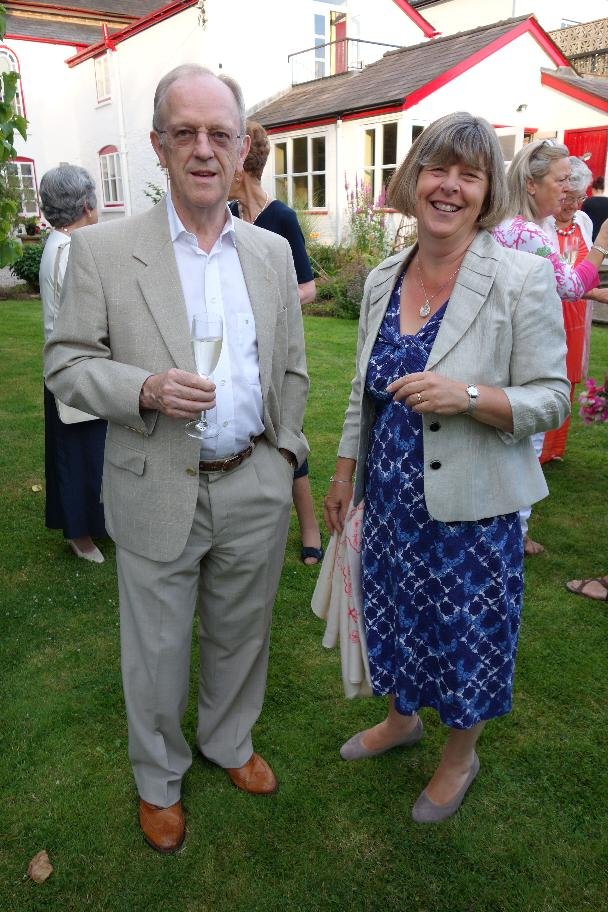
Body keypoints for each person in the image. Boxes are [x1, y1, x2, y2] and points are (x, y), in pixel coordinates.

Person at [45, 65, 309, 854]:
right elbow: (66, 363)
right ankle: (159, 778)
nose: (203, 149)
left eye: (219, 134)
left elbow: (292, 367)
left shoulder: (268, 252)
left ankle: (228, 741)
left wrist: (283, 452)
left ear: (241, 149)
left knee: (242, 633)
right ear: (158, 145)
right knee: (157, 652)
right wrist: (145, 388)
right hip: (156, 479)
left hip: (252, 479)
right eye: (185, 132)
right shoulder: (102, 250)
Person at [324, 112, 569, 824]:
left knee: (467, 638)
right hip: (391, 500)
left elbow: (552, 397)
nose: (450, 187)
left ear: (488, 190)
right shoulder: (383, 277)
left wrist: (467, 396)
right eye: (438, 169)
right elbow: (363, 389)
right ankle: (401, 720)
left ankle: (460, 757)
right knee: (398, 616)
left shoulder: (520, 277)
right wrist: (343, 471)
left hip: (474, 509)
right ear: (414, 178)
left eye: (470, 174)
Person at [492, 141, 608, 555]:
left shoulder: (512, 226)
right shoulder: (525, 232)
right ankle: (515, 534)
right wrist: (603, 244)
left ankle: (507, 528)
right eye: (560, 181)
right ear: (531, 183)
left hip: (507, 347)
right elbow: (571, 285)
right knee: (527, 442)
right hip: (524, 352)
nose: (568, 190)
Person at [229, 120, 323, 565]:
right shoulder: (229, 216)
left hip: (277, 346)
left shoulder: (280, 218)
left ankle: (310, 528)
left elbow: (308, 288)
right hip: (238, 346)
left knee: (286, 431)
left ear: (242, 166)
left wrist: (264, 305)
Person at [39, 165, 106, 564]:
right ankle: (80, 536)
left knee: (91, 452)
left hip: (76, 367)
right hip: (72, 371)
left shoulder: (66, 244)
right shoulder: (68, 251)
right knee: (77, 454)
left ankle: (92, 525)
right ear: (85, 204)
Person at [541, 157, 595, 461]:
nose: (574, 205)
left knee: (570, 376)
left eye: (580, 198)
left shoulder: (584, 222)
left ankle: (554, 448)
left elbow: (587, 266)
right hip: (549, 310)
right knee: (546, 373)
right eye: (569, 197)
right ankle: (536, 448)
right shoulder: (541, 225)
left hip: (578, 312)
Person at [581, 176, 608, 241]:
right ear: (603, 189)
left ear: (593, 189)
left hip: (590, 236)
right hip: (605, 237)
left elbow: (582, 221)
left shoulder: (587, 202)